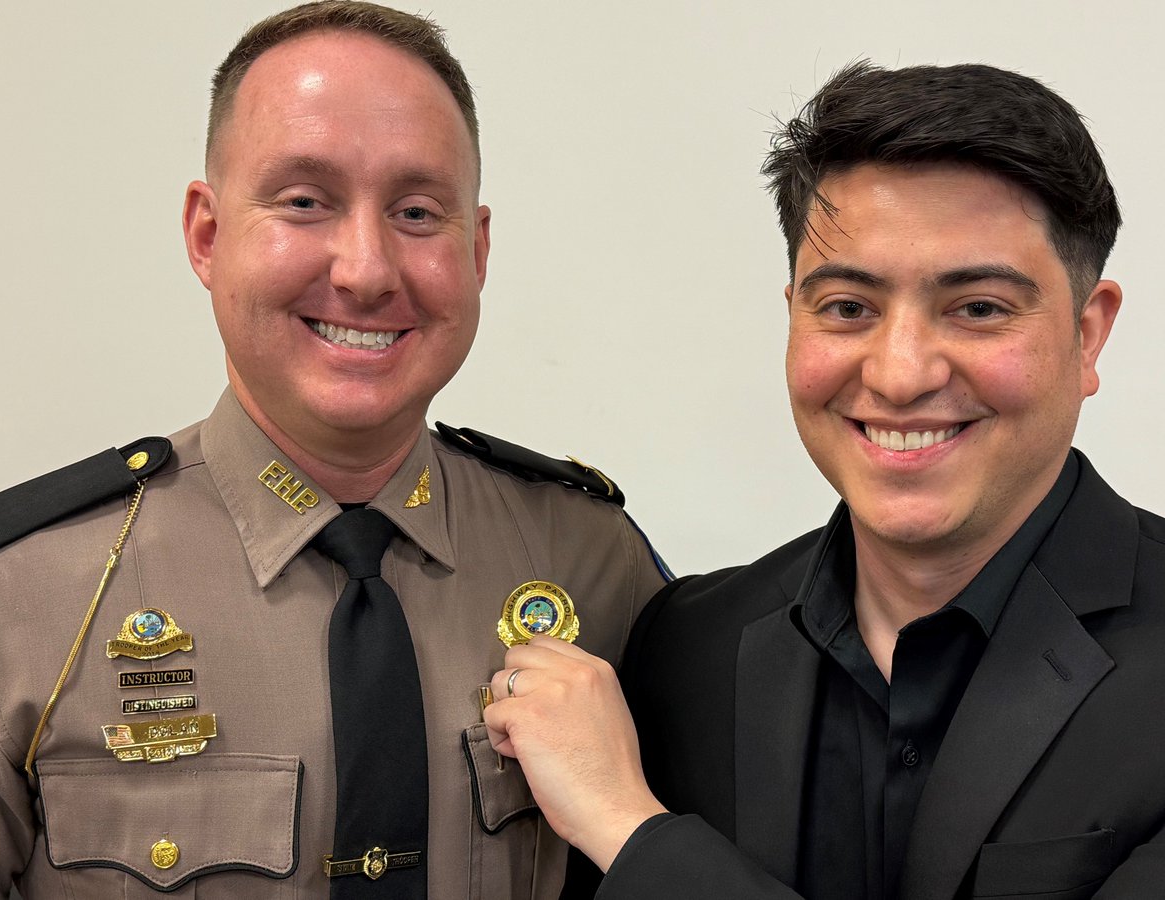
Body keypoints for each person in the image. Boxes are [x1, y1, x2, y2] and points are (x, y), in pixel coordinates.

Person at [0, 3, 665, 897]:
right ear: (208, 235)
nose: (366, 270)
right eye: (304, 202)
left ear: (477, 252)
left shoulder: (592, 564)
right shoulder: (10, 605)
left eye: (418, 212)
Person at [485, 61, 1165, 898]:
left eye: (979, 308)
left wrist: (627, 826)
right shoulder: (684, 647)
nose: (900, 374)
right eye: (848, 308)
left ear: (1088, 335)